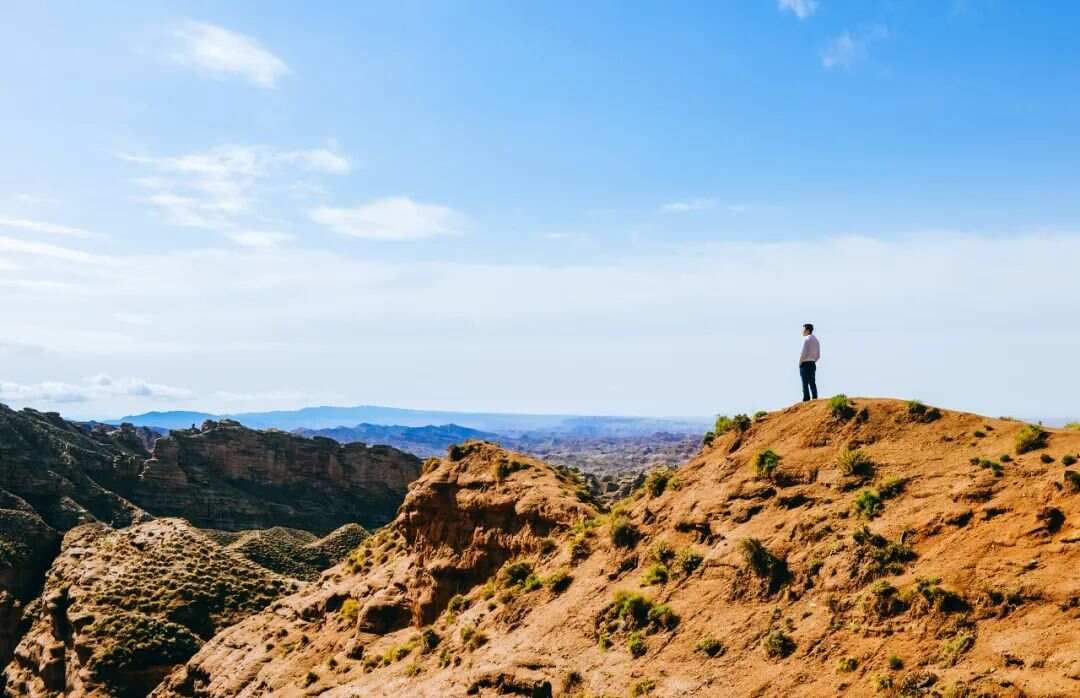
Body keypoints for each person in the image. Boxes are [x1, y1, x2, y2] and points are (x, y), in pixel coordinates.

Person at [799, 323, 820, 402]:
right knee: (812, 381)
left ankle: (806, 398)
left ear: (807, 330)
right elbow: (818, 355)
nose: (802, 331)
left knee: (805, 382)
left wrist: (800, 362)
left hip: (805, 363)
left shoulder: (806, 339)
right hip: (812, 363)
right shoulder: (816, 340)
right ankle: (815, 397)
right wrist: (813, 360)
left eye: (804, 329)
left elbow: (803, 353)